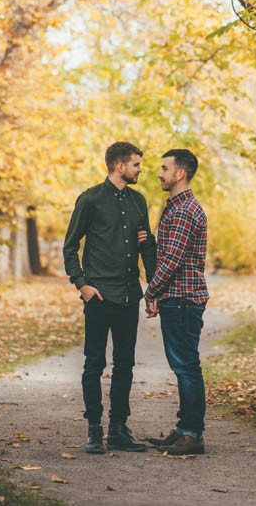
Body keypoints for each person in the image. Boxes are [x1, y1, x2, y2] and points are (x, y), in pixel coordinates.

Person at [63, 141, 156, 455]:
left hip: (130, 295)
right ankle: (94, 430)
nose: (140, 170)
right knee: (94, 363)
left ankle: (118, 430)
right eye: (137, 165)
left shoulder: (139, 201)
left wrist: (153, 287)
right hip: (99, 296)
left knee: (125, 364)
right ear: (120, 166)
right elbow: (70, 246)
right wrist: (82, 285)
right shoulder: (90, 199)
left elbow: (146, 248)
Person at [144, 148, 208, 456]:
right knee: (184, 365)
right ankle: (184, 430)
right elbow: (166, 253)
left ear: (179, 173)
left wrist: (151, 292)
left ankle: (192, 435)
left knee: (186, 367)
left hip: (182, 299)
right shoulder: (176, 208)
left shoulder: (184, 211)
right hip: (178, 297)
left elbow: (171, 261)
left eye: (165, 168)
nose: (160, 172)